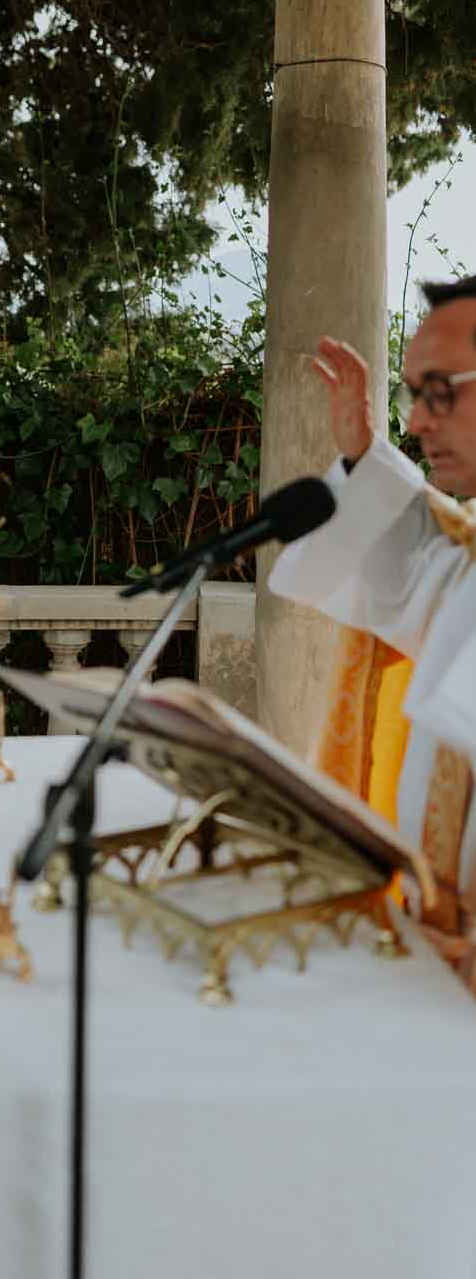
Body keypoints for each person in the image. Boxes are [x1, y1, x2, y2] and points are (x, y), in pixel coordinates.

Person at [270, 276, 476, 947]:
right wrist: (362, 451)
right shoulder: (468, 558)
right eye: (414, 395)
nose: (415, 422)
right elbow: (409, 581)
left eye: (440, 393)